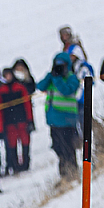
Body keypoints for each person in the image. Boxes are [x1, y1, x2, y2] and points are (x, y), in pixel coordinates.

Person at [36, 52, 81, 181]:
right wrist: (51, 75)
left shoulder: (72, 78)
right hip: (54, 120)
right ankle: (64, 174)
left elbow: (66, 90)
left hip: (67, 119)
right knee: (58, 147)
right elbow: (40, 86)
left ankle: (72, 173)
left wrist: (57, 78)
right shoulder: (53, 77)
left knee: (68, 148)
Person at [0, 67, 33, 174]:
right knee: (12, 145)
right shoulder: (1, 91)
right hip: (9, 123)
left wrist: (30, 120)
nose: (8, 77)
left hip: (22, 121)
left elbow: (27, 105)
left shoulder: (20, 87)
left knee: (25, 143)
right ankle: (16, 166)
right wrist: (1, 125)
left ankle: (25, 164)